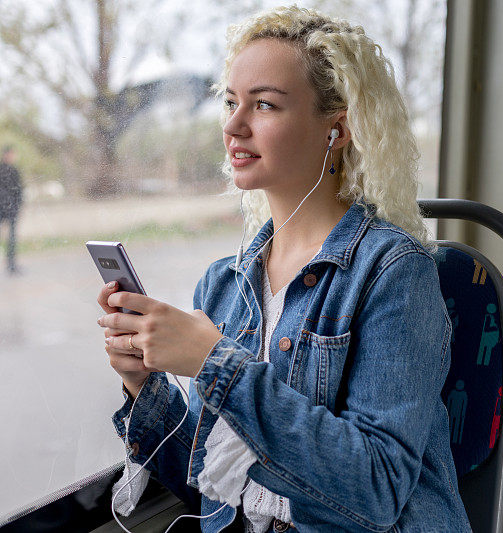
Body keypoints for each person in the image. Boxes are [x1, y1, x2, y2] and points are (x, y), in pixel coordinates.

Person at [95, 7, 470, 532]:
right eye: (231, 102)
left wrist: (215, 362)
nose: (232, 125)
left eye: (264, 104)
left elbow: (377, 491)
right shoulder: (224, 284)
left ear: (336, 130)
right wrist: (142, 384)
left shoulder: (394, 273)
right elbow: (215, 488)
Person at [0, 145, 22, 274]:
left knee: (12, 238)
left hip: (12, 209)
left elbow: (19, 190)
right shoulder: (2, 169)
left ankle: (11, 265)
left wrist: (17, 206)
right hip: (2, 209)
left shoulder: (15, 170)